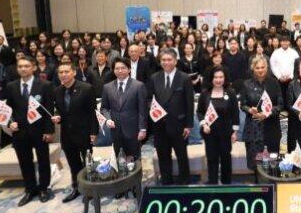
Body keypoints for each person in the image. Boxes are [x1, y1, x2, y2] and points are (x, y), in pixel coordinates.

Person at [3, 56, 55, 206]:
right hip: (20, 131)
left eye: (26, 66)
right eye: (20, 66)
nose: (23, 69)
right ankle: (30, 189)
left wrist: (49, 131)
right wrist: (10, 122)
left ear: (33, 67)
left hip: (39, 130)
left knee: (43, 160)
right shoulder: (11, 86)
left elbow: (49, 110)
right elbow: (8, 109)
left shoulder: (45, 85)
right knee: (24, 162)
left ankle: (43, 188)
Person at [51, 63, 98, 203]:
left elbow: (92, 112)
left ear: (74, 72)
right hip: (67, 134)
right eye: (60, 72)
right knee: (73, 164)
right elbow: (58, 109)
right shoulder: (57, 91)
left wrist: (93, 132)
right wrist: (57, 116)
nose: (63, 75)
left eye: (66, 71)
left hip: (84, 133)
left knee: (87, 163)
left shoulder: (86, 88)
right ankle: (77, 188)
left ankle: (91, 189)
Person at [146, 50, 194, 185]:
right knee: (163, 156)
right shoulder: (154, 77)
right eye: (163, 60)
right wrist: (153, 108)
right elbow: (148, 99)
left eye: (169, 60)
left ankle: (184, 183)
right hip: (160, 125)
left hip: (179, 125)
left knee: (182, 156)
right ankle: (167, 184)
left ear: (175, 61)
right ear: (160, 61)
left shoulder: (184, 78)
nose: (166, 62)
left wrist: (189, 125)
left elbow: (189, 103)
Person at [240, 55, 284, 175]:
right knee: (257, 164)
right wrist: (250, 110)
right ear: (253, 69)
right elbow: (242, 105)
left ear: (267, 67)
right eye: (257, 67)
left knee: (272, 163)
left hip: (271, 128)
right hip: (253, 130)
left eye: (263, 67)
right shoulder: (246, 84)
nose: (260, 70)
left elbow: (280, 105)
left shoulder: (274, 83)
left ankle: (273, 183)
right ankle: (258, 183)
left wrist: (267, 114)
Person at [197, 67, 239, 184]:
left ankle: (226, 184)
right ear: (211, 78)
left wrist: (235, 132)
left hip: (226, 132)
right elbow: (199, 112)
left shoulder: (230, 92)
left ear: (225, 78)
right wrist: (204, 124)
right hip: (209, 133)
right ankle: (213, 183)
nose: (218, 80)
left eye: (221, 77)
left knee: (226, 158)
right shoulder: (205, 93)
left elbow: (235, 113)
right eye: (216, 77)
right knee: (211, 158)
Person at [100, 58, 148, 162]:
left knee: (134, 160)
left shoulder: (138, 86)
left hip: (133, 130)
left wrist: (142, 129)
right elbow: (104, 108)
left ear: (129, 69)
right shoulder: (107, 87)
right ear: (113, 70)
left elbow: (143, 110)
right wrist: (107, 119)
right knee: (120, 159)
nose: (120, 71)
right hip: (115, 130)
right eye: (117, 68)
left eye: (123, 68)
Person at [270, 35, 299, 101]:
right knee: (280, 97)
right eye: (283, 41)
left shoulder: (294, 53)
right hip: (279, 80)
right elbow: (273, 66)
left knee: (291, 97)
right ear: (280, 42)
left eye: (286, 41)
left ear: (289, 42)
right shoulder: (275, 52)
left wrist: (290, 76)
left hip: (291, 79)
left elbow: (297, 66)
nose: (285, 43)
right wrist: (279, 77)